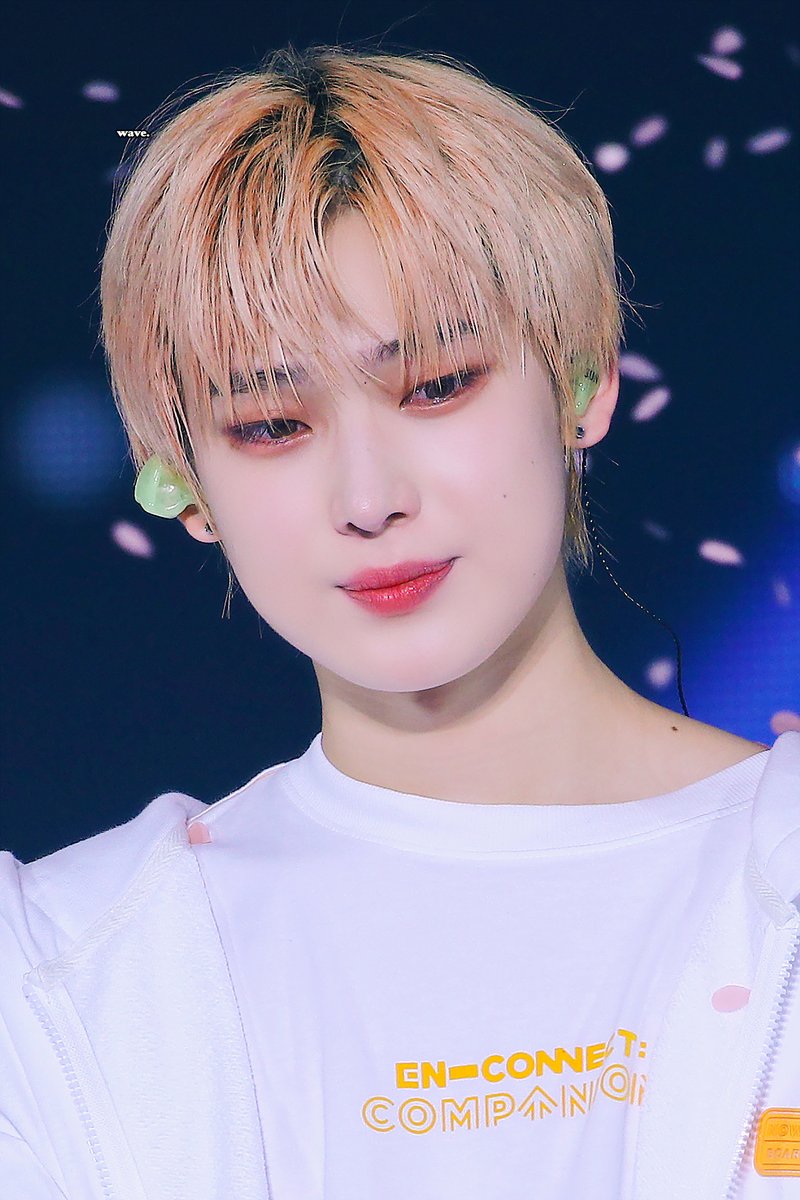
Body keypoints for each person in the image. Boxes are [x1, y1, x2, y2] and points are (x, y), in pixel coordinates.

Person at [1, 42, 798, 1200]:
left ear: (580, 378)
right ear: (183, 481)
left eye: (435, 386)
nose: (368, 499)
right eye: (272, 425)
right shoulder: (62, 981)